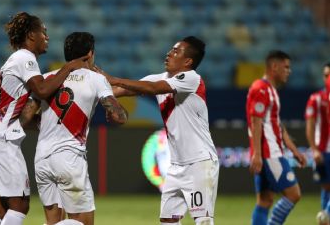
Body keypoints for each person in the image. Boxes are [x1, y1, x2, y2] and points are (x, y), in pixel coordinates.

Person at [0, 12, 90, 225]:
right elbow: (42, 90)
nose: (47, 37)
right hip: (1, 141)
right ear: (31, 35)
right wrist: (69, 66)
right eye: (43, 32)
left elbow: (22, 114)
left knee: (0, 212)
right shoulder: (25, 57)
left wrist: (43, 122)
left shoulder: (16, 60)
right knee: (20, 206)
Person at [98, 36, 219, 225]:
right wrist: (101, 93)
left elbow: (152, 88)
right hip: (177, 165)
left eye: (176, 51)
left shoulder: (192, 79)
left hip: (199, 162)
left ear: (188, 61)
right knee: (167, 220)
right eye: (171, 49)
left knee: (202, 221)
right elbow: (122, 91)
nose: (169, 53)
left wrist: (113, 78)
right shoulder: (160, 78)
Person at [20, 32, 128, 225]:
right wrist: (116, 112)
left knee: (54, 222)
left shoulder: (47, 78)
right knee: (82, 223)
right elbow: (119, 117)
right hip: (69, 159)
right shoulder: (95, 79)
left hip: (42, 160)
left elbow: (25, 118)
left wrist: (47, 124)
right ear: (90, 54)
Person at [246, 50, 307, 225]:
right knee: (294, 194)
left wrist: (294, 150)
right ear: (274, 66)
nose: (289, 71)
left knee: (265, 201)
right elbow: (256, 121)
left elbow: (276, 124)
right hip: (269, 154)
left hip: (269, 152)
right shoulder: (261, 89)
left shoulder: (271, 91)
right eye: (286, 67)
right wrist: (257, 154)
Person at [305, 62, 330, 221]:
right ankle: (325, 214)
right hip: (323, 151)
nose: (327, 78)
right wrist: (314, 149)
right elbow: (310, 126)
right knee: (326, 187)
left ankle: (325, 216)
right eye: (326, 75)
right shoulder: (316, 98)